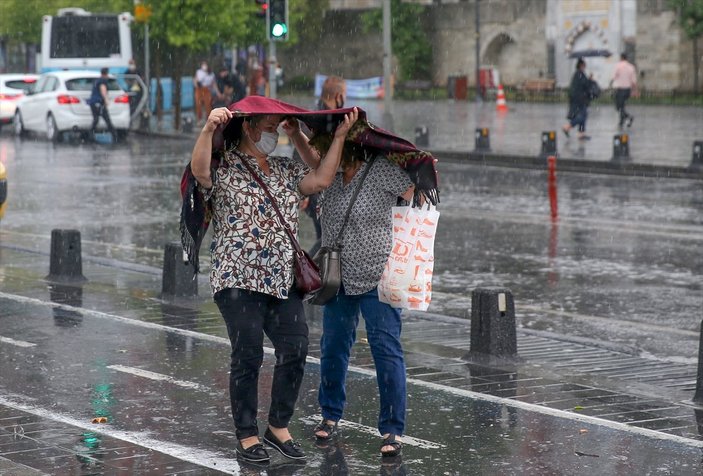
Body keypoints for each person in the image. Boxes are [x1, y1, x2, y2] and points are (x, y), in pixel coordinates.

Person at [189, 100, 359, 464]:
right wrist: (207, 130)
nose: (274, 133)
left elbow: (322, 176)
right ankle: (247, 434)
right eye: (270, 127)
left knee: (296, 347)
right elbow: (199, 170)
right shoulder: (226, 164)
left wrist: (329, 135)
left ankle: (278, 427)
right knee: (248, 352)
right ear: (249, 127)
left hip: (283, 279)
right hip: (237, 277)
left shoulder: (284, 169)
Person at [311, 141, 415, 459]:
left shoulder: (381, 169)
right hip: (338, 275)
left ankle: (392, 429)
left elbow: (415, 192)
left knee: (385, 350)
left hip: (378, 274)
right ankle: (330, 414)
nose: (328, 153)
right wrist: (298, 135)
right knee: (333, 347)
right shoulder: (330, 174)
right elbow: (311, 163)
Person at [298, 75, 348, 255]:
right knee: (328, 238)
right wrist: (303, 193)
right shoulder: (320, 118)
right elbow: (301, 150)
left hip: (326, 188)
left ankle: (320, 274)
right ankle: (307, 270)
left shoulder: (323, 115)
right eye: (344, 94)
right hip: (317, 189)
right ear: (338, 95)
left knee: (327, 236)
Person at [562, 58, 596, 141]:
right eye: (584, 65)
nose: (585, 67)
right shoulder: (579, 74)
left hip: (577, 98)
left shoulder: (578, 74)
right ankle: (567, 127)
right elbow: (585, 85)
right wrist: (590, 80)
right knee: (582, 116)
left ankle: (581, 134)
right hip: (579, 99)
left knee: (583, 115)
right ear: (581, 65)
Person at [87, 67, 117, 142]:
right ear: (106, 73)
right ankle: (115, 136)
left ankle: (90, 134)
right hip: (99, 103)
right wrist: (106, 100)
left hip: (93, 103)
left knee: (96, 119)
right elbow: (103, 90)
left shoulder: (97, 80)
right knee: (107, 120)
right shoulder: (103, 81)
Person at [611, 53, 638, 128]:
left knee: (618, 106)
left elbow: (613, 77)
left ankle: (628, 117)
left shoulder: (618, 66)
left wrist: (611, 83)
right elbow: (634, 81)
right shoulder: (631, 67)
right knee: (622, 106)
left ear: (621, 58)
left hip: (619, 89)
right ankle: (621, 121)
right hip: (627, 89)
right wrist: (635, 91)